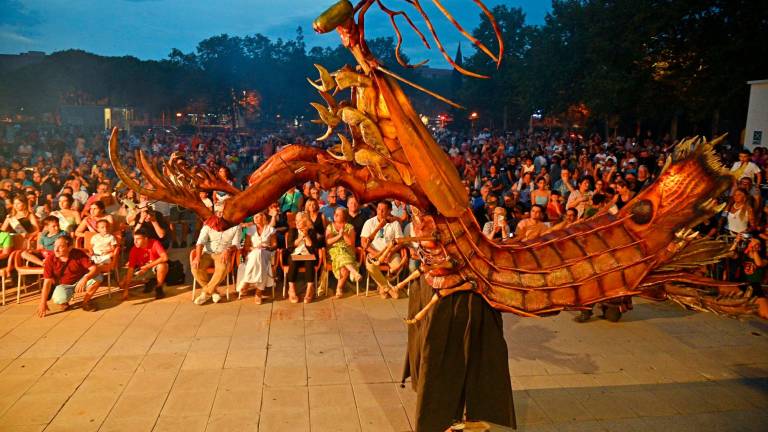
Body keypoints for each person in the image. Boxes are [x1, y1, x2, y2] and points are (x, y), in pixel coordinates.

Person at [38, 236, 103, 316]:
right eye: (55, 246)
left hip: (80, 281)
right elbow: (47, 282)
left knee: (98, 277)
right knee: (59, 299)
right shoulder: (50, 259)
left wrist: (85, 278)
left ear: (69, 248)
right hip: (63, 285)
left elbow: (94, 269)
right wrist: (43, 302)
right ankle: (64, 303)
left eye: (60, 246)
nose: (56, 249)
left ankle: (86, 302)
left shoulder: (78, 254)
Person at [191, 204, 242, 305]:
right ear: (215, 213)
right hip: (207, 253)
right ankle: (213, 291)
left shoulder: (236, 226)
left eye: (222, 212)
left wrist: (228, 250)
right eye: (218, 212)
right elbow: (200, 242)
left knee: (222, 268)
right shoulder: (208, 225)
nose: (220, 214)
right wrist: (197, 257)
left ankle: (205, 293)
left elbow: (236, 244)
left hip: (223, 253)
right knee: (195, 267)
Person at [361, 201, 404, 298]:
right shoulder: (369, 222)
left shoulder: (395, 223)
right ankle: (387, 288)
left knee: (398, 266)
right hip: (374, 253)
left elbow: (400, 242)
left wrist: (390, 252)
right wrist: (376, 253)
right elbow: (363, 242)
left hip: (390, 253)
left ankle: (381, 287)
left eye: (383, 209)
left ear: (389, 210)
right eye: (379, 209)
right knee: (370, 267)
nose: (380, 211)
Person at [236, 212, 276, 303]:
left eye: (257, 217)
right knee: (258, 254)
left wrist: (266, 247)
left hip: (267, 252)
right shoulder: (250, 229)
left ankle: (246, 281)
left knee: (260, 253)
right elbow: (246, 246)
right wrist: (254, 248)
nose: (255, 218)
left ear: (263, 218)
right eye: (254, 217)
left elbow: (274, 245)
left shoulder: (271, 229)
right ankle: (259, 292)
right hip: (252, 253)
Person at [120, 229, 169, 300]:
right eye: (134, 239)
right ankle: (147, 281)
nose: (135, 242)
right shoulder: (134, 250)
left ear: (146, 239)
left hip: (154, 267)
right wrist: (126, 290)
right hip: (142, 270)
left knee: (163, 265)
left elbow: (165, 257)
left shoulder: (154, 243)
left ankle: (159, 288)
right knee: (122, 284)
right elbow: (130, 269)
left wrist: (147, 266)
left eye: (138, 239)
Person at [325, 207, 362, 298]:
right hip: (333, 252)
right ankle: (353, 272)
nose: (335, 215)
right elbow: (328, 242)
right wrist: (339, 236)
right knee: (339, 253)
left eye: (338, 214)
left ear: (344, 217)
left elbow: (351, 243)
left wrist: (344, 234)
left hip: (347, 250)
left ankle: (339, 288)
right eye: (335, 214)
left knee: (343, 265)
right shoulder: (330, 226)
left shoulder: (349, 227)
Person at [285, 211, 319, 303]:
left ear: (305, 221)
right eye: (296, 220)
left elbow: (313, 248)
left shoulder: (312, 231)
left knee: (310, 261)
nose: (296, 222)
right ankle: (291, 289)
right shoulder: (293, 231)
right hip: (295, 254)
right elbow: (290, 247)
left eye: (299, 221)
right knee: (293, 261)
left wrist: (306, 235)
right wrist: (300, 237)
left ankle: (309, 289)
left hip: (308, 255)